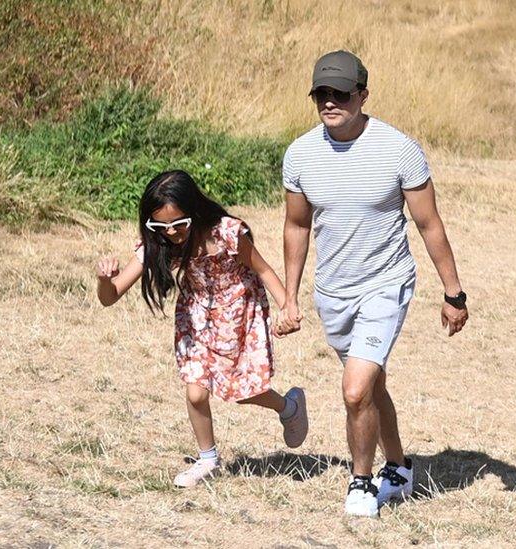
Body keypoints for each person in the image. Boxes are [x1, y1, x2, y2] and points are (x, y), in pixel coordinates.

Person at [276, 50, 469, 517]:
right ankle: (399, 467)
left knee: (355, 389)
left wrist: (453, 293)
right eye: (322, 93)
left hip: (386, 283)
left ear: (363, 94)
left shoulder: (398, 149)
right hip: (332, 292)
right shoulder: (301, 154)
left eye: (340, 93)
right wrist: (289, 296)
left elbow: (429, 225)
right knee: (372, 386)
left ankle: (361, 483)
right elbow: (296, 227)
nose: (330, 102)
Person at [95, 170, 309, 488]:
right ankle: (207, 458)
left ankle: (288, 407)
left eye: (179, 224)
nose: (172, 233)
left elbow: (263, 270)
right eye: (162, 226)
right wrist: (103, 280)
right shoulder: (158, 243)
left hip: (239, 315)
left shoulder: (226, 233)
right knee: (196, 393)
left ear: (194, 212)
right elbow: (110, 297)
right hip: (198, 320)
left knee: (242, 392)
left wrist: (286, 306)